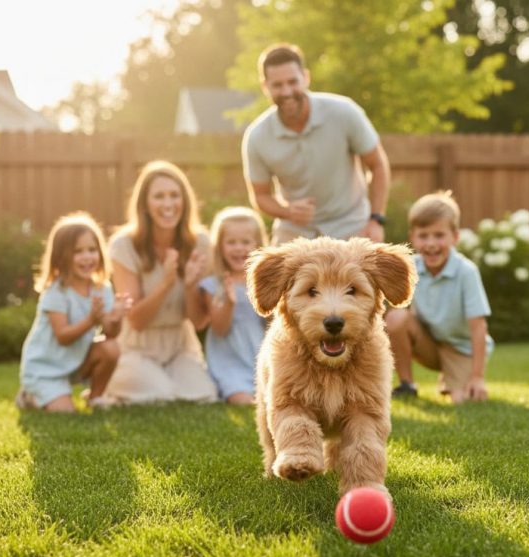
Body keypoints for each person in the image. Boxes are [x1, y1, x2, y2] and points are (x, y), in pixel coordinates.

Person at [241, 43, 391, 245]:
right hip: (294, 231)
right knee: (269, 275)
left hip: (352, 226)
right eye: (277, 85)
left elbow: (378, 164)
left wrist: (376, 219)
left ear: (306, 77)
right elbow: (260, 196)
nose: (286, 92)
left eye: (292, 82)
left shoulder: (344, 112)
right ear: (265, 86)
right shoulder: (257, 136)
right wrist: (288, 211)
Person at [100, 160, 218, 405]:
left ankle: (150, 382)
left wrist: (188, 287)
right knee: (159, 395)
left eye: (174, 195)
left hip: (180, 344)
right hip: (137, 345)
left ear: (184, 201)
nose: (168, 204)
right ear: (145, 204)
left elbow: (198, 322)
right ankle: (119, 382)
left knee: (203, 395)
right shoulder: (123, 245)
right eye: (159, 196)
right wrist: (166, 283)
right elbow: (136, 320)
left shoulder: (201, 243)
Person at [384, 191, 494, 403]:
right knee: (395, 317)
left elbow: (478, 326)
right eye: (423, 236)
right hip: (430, 342)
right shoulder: (411, 267)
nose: (431, 243)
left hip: (462, 349)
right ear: (412, 238)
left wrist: (477, 377)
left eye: (439, 235)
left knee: (464, 400)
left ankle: (455, 380)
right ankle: (407, 385)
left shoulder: (466, 272)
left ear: (455, 236)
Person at [17, 212, 129, 412]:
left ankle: (95, 398)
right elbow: (62, 337)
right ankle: (30, 395)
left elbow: (111, 333)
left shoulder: (102, 289)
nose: (87, 257)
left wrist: (116, 318)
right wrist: (91, 320)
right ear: (61, 257)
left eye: (92, 250)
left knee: (111, 348)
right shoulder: (56, 292)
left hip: (76, 360)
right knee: (65, 412)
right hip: (46, 368)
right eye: (78, 251)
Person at [197, 207, 268, 405]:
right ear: (220, 246)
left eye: (246, 242)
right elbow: (219, 329)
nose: (239, 248)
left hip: (257, 354)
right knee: (242, 398)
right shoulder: (214, 284)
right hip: (229, 360)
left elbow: (269, 323)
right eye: (231, 242)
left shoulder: (262, 283)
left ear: (258, 244)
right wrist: (229, 303)